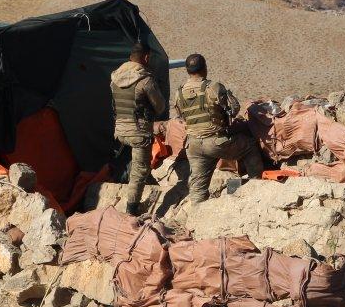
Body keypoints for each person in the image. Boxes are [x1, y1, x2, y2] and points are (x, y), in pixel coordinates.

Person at [172, 53, 264, 203]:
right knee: (250, 147)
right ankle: (256, 186)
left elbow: (181, 116)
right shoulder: (213, 87)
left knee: (198, 188)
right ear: (204, 68)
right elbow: (234, 109)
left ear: (187, 70)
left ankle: (197, 214)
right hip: (215, 141)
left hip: (193, 145)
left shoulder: (179, 92)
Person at [110, 40, 167, 215]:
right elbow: (160, 106)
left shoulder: (114, 78)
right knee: (139, 170)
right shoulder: (145, 80)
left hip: (119, 130)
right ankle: (131, 209)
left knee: (134, 165)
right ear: (147, 57)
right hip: (139, 132)